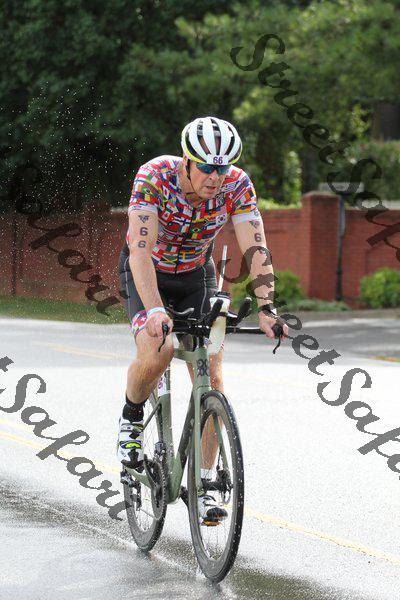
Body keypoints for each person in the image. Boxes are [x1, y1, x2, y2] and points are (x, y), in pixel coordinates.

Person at [117, 116, 288, 524]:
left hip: (197, 275)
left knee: (210, 372)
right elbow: (140, 251)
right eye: (208, 167)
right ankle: (131, 416)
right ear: (187, 160)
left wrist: (267, 307)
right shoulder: (154, 177)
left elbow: (256, 248)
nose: (216, 177)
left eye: (223, 168)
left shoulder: (237, 186)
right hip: (147, 273)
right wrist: (155, 309)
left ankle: (206, 480)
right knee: (159, 351)